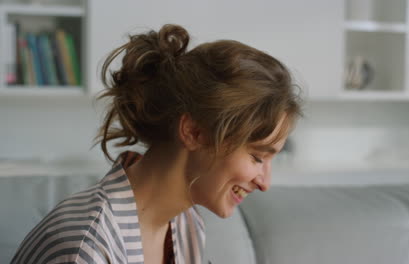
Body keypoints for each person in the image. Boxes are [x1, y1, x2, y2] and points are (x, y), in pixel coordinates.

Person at [11, 24, 302, 264]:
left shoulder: (184, 224)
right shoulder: (86, 249)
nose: (265, 182)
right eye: (257, 157)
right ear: (194, 132)